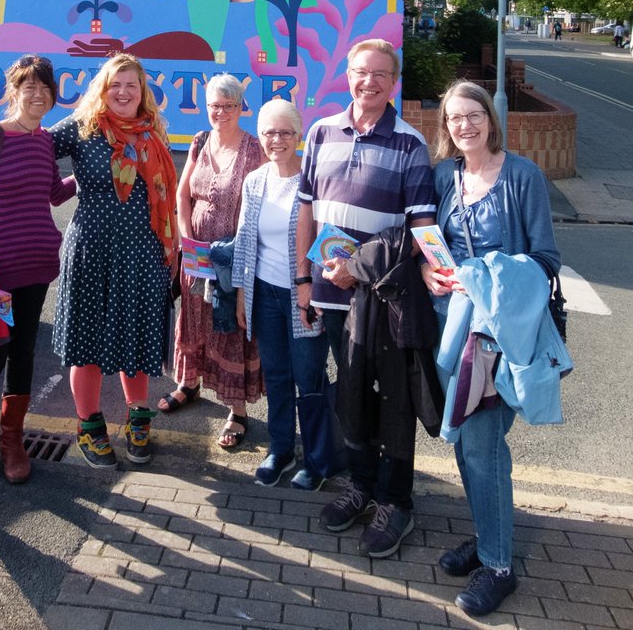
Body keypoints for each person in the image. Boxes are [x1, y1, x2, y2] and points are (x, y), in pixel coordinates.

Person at [422, 80, 561, 617]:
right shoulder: (443, 176)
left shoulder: (522, 176)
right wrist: (431, 274)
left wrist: (483, 276)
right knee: (464, 443)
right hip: (448, 329)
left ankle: (499, 565)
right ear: (447, 129)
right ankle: (486, 541)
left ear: (490, 118)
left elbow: (545, 260)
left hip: (496, 335)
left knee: (482, 447)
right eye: (455, 119)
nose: (465, 125)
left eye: (473, 114)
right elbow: (430, 248)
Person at [295, 38, 437, 558]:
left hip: (385, 300)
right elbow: (305, 212)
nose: (369, 82)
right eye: (360, 72)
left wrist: (363, 269)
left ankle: (394, 501)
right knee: (350, 395)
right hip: (331, 298)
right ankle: (361, 484)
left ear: (393, 81)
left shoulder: (410, 144)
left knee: (394, 401)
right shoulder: (320, 132)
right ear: (346, 75)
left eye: (380, 74)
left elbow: (420, 227)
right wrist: (303, 281)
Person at [0, 54, 76, 485]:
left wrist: (95, 175)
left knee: (23, 352)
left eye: (45, 88)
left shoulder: (44, 141)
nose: (38, 94)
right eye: (29, 87)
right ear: (14, 92)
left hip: (37, 265)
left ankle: (11, 441)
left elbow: (54, 193)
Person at [51, 53, 178, 468]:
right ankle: (89, 426)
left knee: (135, 335)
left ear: (143, 93)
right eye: (115, 85)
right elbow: (30, 143)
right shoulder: (81, 128)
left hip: (142, 250)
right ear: (101, 89)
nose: (123, 93)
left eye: (132, 85)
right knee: (85, 341)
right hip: (91, 248)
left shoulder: (152, 131)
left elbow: (164, 196)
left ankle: (138, 417)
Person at [232, 100, 339, 489]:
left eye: (285, 133)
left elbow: (329, 241)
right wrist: (244, 294)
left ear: (299, 136)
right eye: (268, 133)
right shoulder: (255, 180)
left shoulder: (315, 181)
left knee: (308, 378)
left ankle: (316, 458)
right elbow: (245, 242)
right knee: (276, 375)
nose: (276, 140)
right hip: (265, 296)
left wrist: (315, 290)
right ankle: (280, 449)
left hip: (304, 299)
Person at [159, 75, 264, 450]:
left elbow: (262, 207)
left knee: (229, 325)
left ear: (241, 108)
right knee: (193, 318)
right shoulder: (200, 141)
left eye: (228, 106)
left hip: (233, 257)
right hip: (196, 255)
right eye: (213, 106)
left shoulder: (255, 149)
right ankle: (188, 384)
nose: (220, 113)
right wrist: (187, 239)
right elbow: (183, 193)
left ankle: (237, 410)